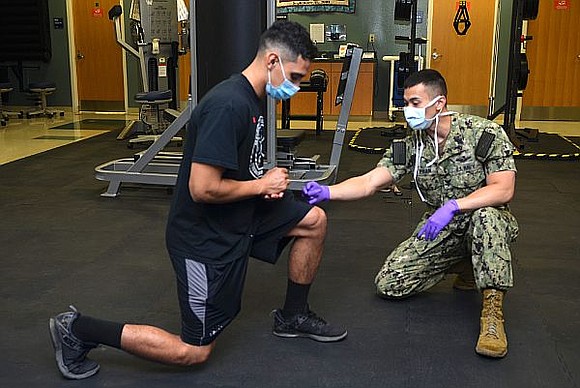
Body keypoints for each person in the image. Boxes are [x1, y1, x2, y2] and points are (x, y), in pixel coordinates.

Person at [49, 20, 347, 380]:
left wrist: (263, 183)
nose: (296, 88)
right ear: (272, 61)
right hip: (204, 238)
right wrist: (260, 185)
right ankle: (78, 329)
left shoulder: (253, 98)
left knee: (313, 221)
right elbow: (202, 189)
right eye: (296, 77)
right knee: (193, 351)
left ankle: (292, 316)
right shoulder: (228, 104)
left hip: (240, 214)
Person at [303, 69, 518, 358]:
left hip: (486, 220)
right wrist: (329, 192)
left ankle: (492, 315)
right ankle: (466, 262)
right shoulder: (411, 142)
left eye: (415, 103)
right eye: (406, 103)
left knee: (486, 217)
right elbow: (371, 181)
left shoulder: (482, 133)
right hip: (442, 227)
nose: (408, 110)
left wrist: (454, 205)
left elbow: (503, 190)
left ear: (439, 103)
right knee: (390, 284)